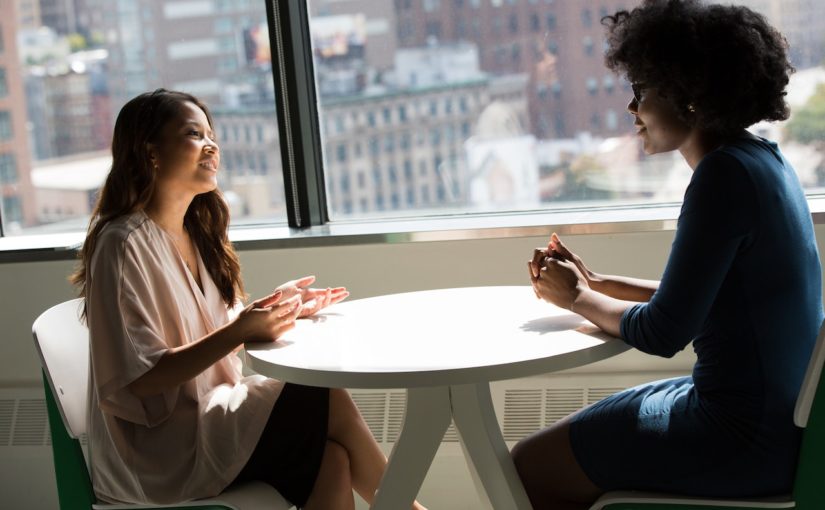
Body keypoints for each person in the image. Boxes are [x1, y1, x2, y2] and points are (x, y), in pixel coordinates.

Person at [510, 1, 824, 509]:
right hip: (781, 426)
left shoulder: (722, 178)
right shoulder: (765, 160)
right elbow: (710, 301)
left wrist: (576, 300)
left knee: (529, 465)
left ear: (688, 95)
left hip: (740, 439)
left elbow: (665, 331)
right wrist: (596, 282)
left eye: (641, 89)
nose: (633, 108)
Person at [71, 89, 426, 510]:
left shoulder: (197, 235)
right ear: (150, 152)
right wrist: (241, 330)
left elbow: (215, 331)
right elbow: (139, 380)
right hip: (159, 453)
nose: (212, 145)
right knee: (323, 395)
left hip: (213, 421)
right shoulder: (122, 244)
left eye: (211, 134)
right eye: (193, 134)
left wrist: (280, 310)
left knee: (331, 459)